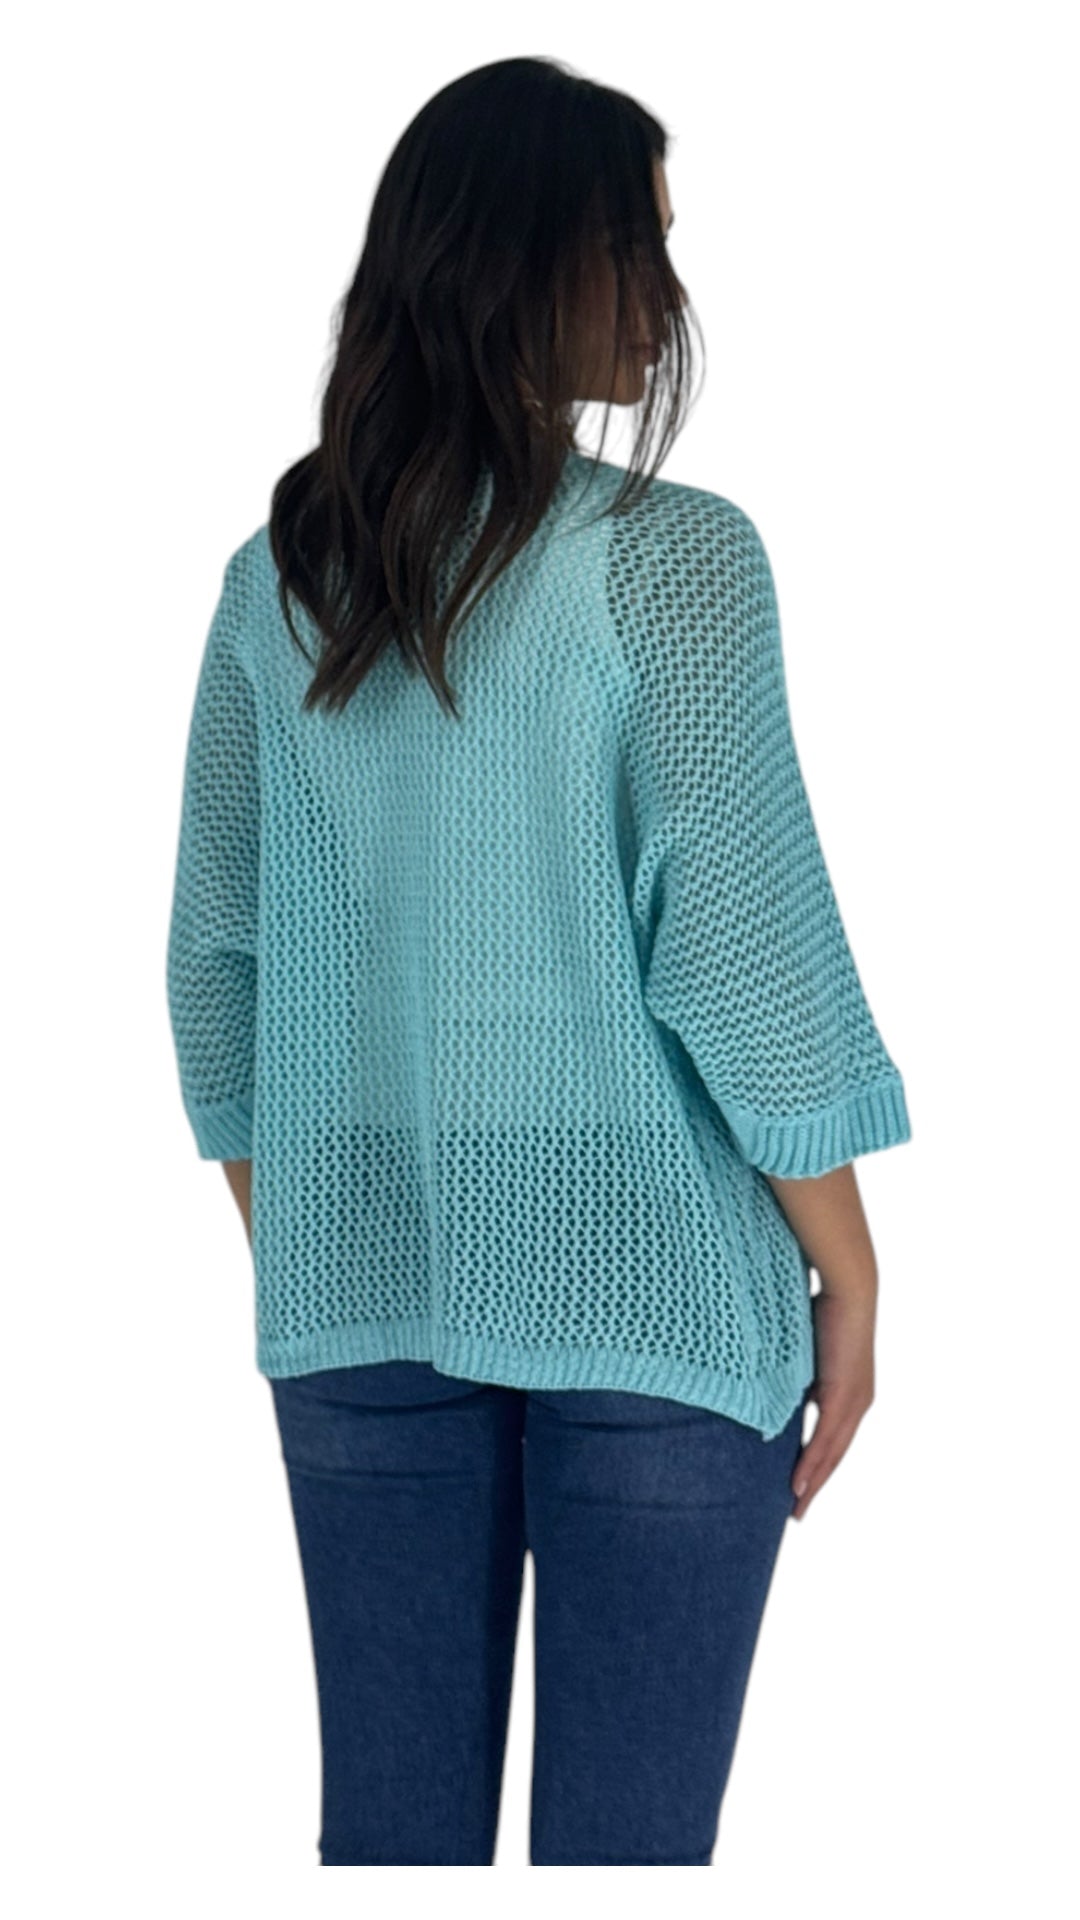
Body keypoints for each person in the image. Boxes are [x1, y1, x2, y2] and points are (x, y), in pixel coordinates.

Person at [166, 56, 912, 1867]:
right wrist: (850, 1272)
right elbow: (745, 957)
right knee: (628, 1867)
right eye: (632, 245)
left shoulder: (284, 577)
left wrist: (337, 1236)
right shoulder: (671, 562)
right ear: (516, 259)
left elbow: (215, 970)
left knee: (390, 1853)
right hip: (654, 1285)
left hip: (362, 1287)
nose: (667, 295)